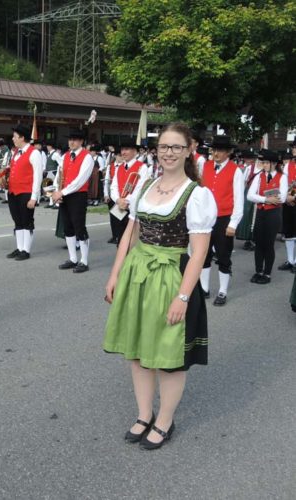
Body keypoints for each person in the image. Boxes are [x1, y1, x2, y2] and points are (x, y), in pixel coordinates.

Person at [103, 122, 217, 450]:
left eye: (176, 147)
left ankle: (165, 419)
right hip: (138, 272)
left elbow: (199, 252)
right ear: (157, 150)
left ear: (189, 150)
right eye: (164, 146)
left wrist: (183, 296)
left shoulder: (197, 194)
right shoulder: (145, 185)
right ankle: (143, 414)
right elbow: (130, 233)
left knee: (167, 355)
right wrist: (115, 274)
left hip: (171, 275)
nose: (168, 153)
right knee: (137, 351)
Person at [200, 135, 244, 306]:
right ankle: (204, 288)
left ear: (228, 153)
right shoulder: (206, 166)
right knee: (204, 254)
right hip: (206, 218)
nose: (215, 153)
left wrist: (233, 224)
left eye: (219, 150)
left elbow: (239, 200)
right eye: (214, 150)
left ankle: (222, 291)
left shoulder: (236, 171)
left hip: (224, 218)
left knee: (224, 256)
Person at [52, 130, 94, 273]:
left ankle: (84, 261)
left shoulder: (87, 157)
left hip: (78, 196)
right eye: (70, 139)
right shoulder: (65, 156)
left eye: (75, 139)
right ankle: (73, 258)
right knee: (68, 228)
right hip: (64, 195)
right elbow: (59, 174)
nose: (71, 142)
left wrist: (61, 192)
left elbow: (80, 181)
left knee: (79, 228)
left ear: (82, 141)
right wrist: (56, 190)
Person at [247, 149, 288, 284]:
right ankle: (258, 270)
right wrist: (266, 199)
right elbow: (250, 195)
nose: (263, 165)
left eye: (266, 163)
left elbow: (281, 197)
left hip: (273, 214)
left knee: (268, 244)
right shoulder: (259, 176)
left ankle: (267, 273)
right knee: (259, 243)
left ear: (274, 163)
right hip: (261, 212)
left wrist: (261, 197)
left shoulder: (282, 177)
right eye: (262, 162)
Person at [5, 124, 43, 260]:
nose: (13, 139)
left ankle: (26, 250)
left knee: (27, 222)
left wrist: (34, 197)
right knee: (17, 222)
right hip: (13, 192)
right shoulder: (16, 152)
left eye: (15, 136)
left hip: (26, 192)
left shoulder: (34, 153)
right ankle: (20, 248)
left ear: (22, 138)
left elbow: (38, 177)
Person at [109, 138, 149, 245]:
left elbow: (140, 189)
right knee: (120, 237)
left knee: (132, 238)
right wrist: (118, 200)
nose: (123, 152)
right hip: (120, 206)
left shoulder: (142, 167)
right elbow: (114, 187)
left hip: (133, 207)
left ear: (135, 152)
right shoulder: (119, 167)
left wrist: (125, 201)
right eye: (122, 149)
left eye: (127, 149)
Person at [236, 151, 260, 251]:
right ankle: (249, 240)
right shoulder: (249, 168)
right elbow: (244, 182)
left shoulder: (258, 168)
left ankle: (255, 239)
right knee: (248, 218)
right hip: (249, 194)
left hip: (259, 194)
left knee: (256, 218)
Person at [278, 143, 296, 272]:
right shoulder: (288, 165)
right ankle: (291, 260)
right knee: (289, 232)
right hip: (289, 202)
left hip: (293, 199)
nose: (293, 149)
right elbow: (283, 183)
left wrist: (293, 195)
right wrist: (286, 196)